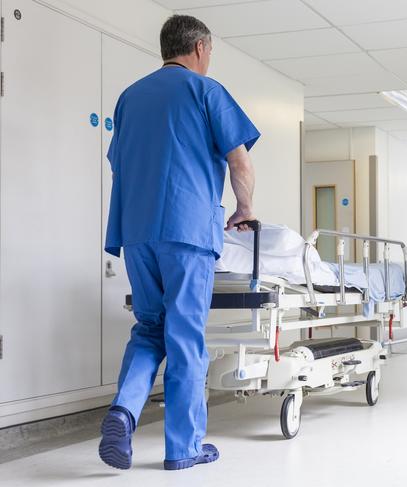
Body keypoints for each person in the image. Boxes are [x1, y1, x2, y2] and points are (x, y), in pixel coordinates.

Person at [99, 15, 260, 471]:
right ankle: (183, 447)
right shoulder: (207, 91)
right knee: (185, 335)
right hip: (187, 233)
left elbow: (119, 165)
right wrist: (244, 209)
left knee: (149, 328)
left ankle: (123, 410)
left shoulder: (130, 98)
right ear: (202, 47)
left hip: (136, 231)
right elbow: (240, 162)